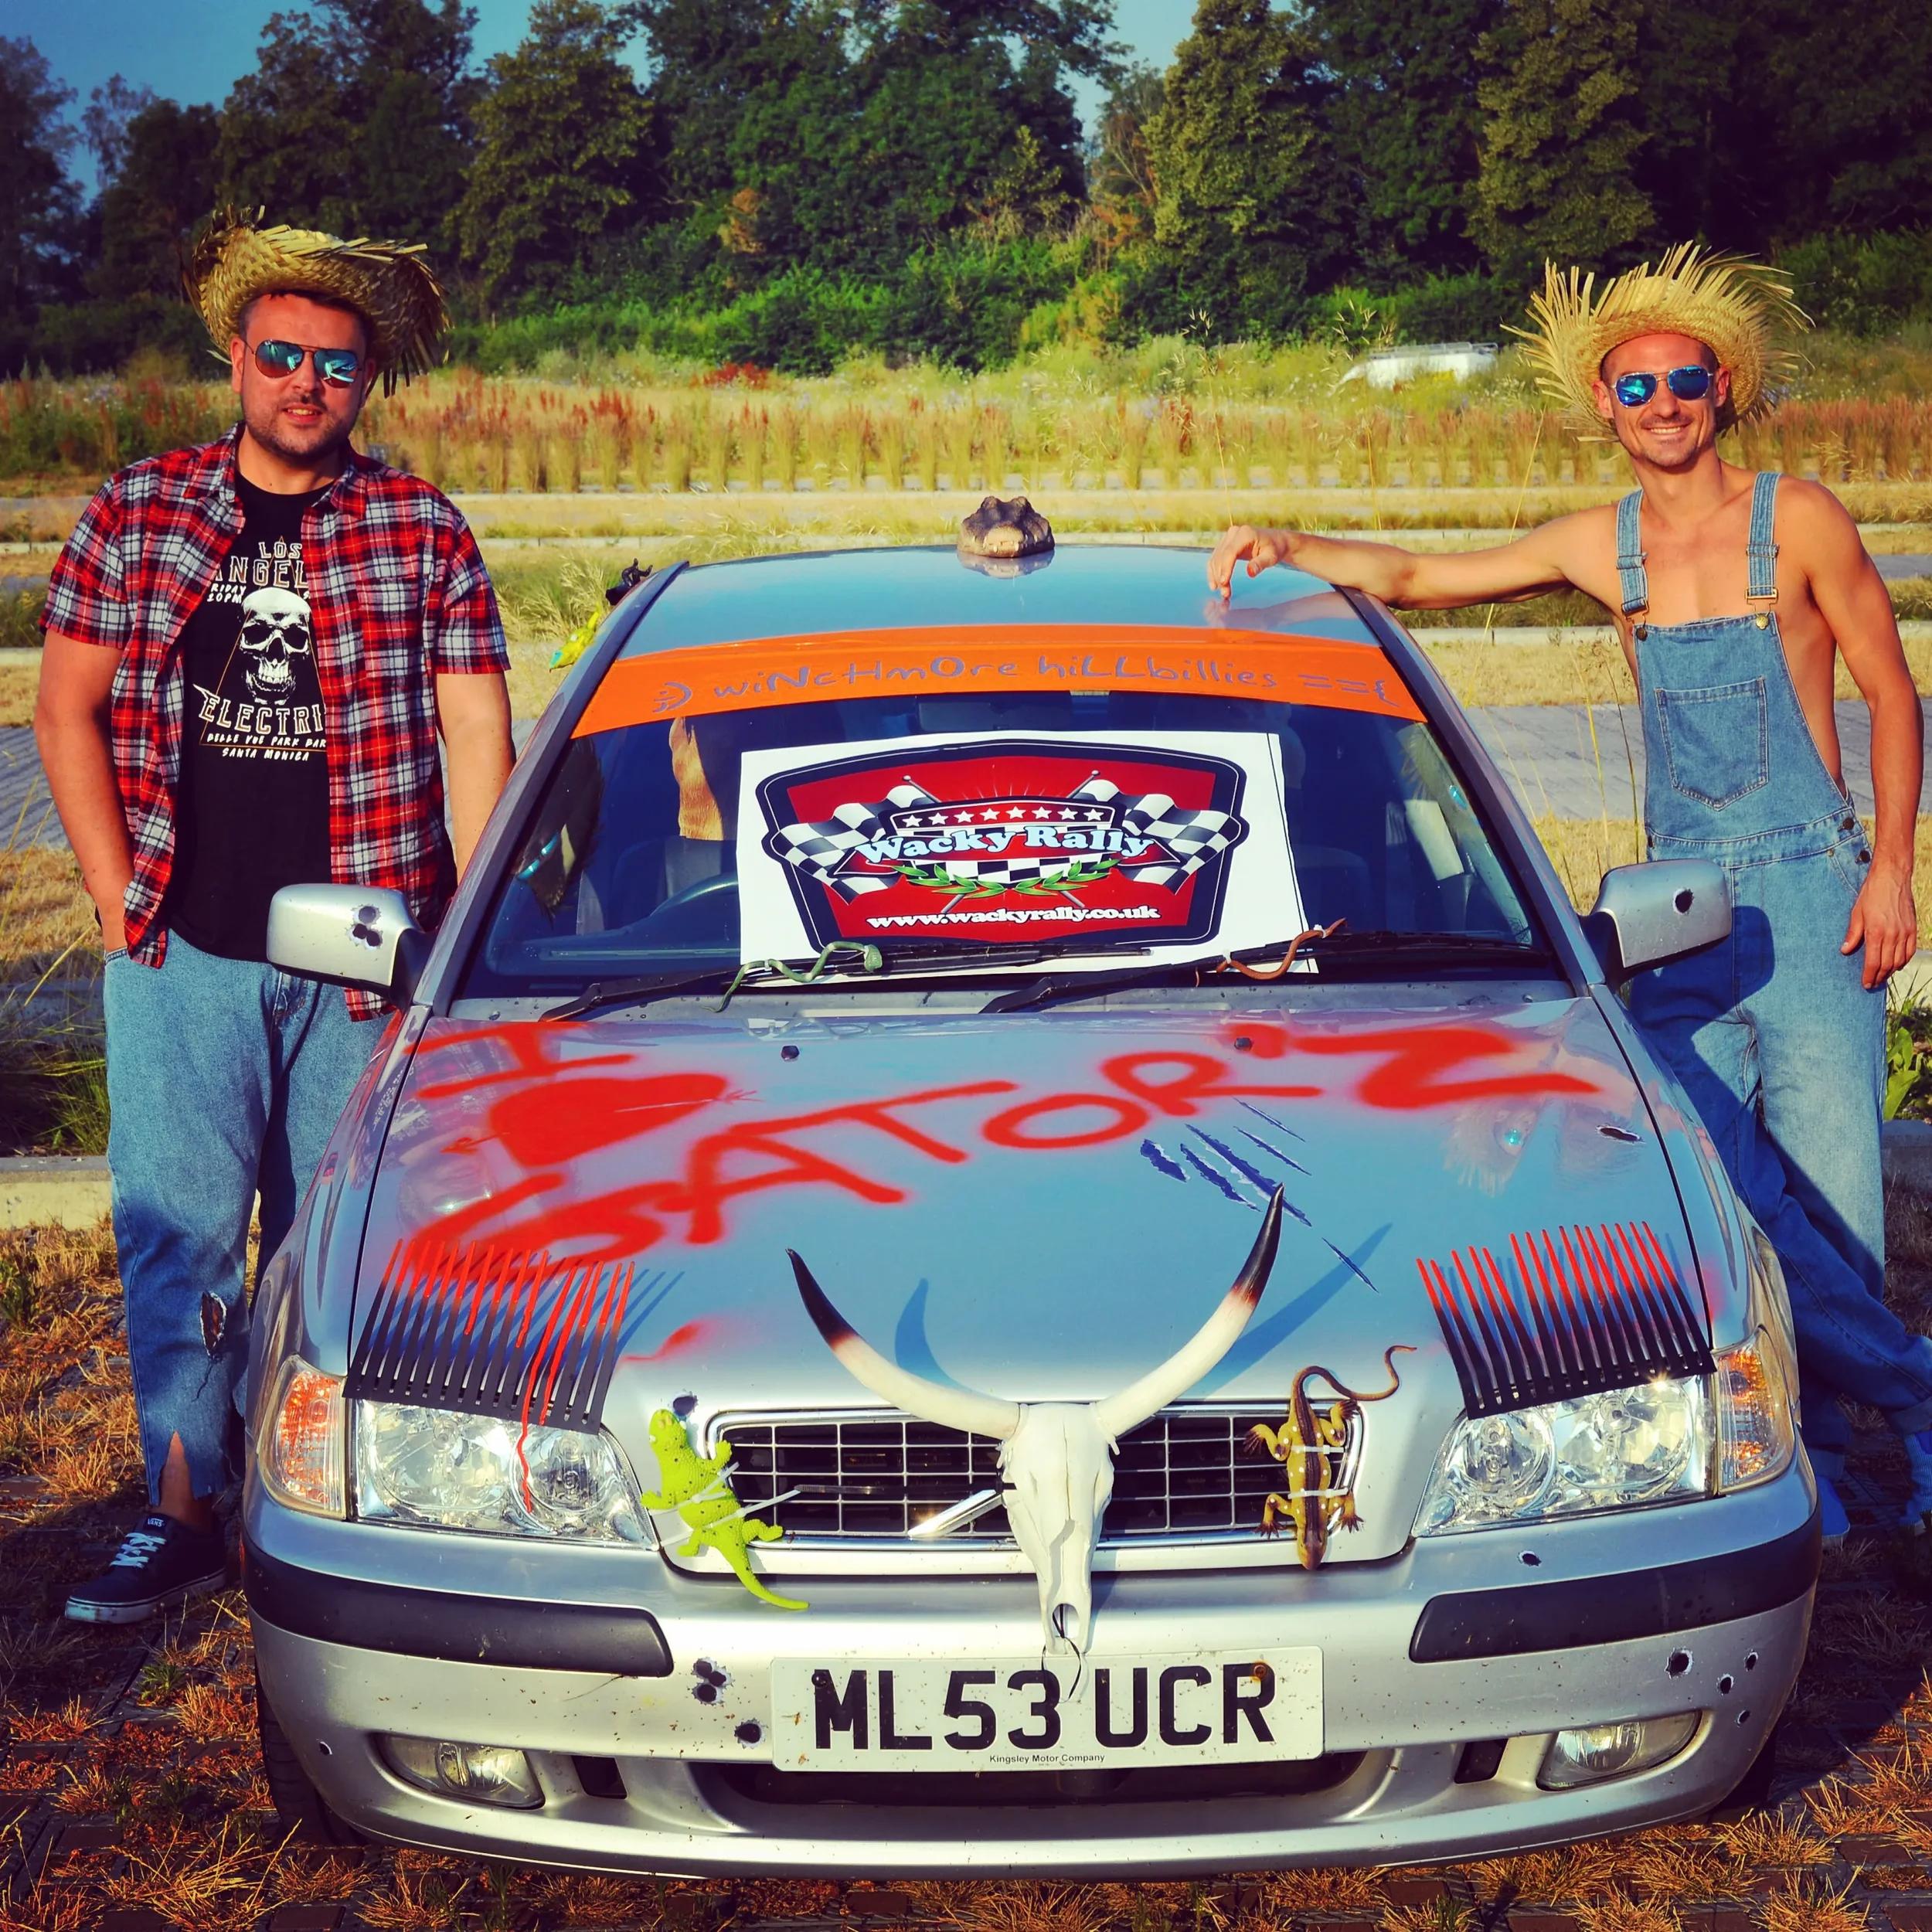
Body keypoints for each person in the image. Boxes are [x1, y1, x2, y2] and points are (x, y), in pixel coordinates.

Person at [1208, 243, 1930, 1545]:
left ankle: (1840, 1455)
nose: (1663, 400)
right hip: (1680, 910)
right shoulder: (1604, 546)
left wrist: (1891, 869)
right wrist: (1294, 545)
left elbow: (1891, 689)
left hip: (1815, 890)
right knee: (1712, 1180)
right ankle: (1902, 1399)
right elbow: (1430, 579)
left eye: (1686, 378)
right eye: (1637, 382)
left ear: (1724, 389)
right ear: (1605, 402)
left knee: (1832, 1195)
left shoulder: (1802, 517)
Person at [36, 212, 515, 1621]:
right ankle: (183, 1507)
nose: (308, 383)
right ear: (235, 359)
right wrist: (112, 879)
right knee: (178, 1224)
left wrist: (475, 929)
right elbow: (66, 706)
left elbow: (473, 731)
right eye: (284, 356)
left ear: (369, 384)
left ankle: (334, 1509)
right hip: (184, 939)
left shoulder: (418, 527)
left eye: (338, 366)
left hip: (366, 958)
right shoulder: (141, 510)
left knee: (343, 1235)